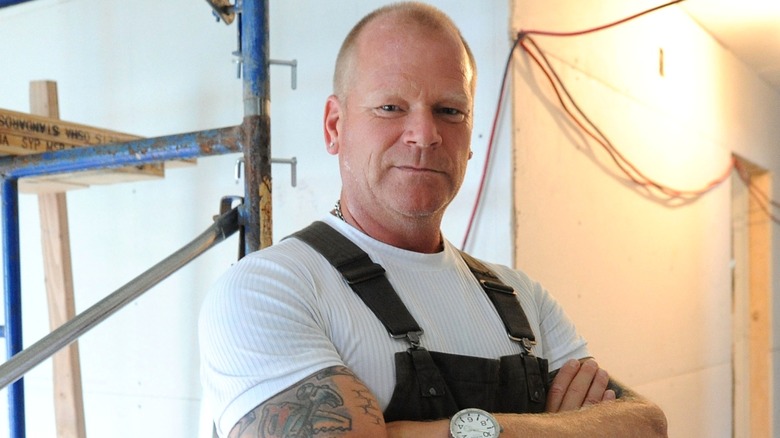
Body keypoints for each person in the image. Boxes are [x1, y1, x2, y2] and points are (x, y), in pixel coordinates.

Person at [199, 2, 668, 437]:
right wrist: (562, 429)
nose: (424, 135)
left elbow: (648, 424)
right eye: (390, 107)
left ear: (470, 137)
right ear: (334, 126)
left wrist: (408, 432)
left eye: (450, 111)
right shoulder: (269, 289)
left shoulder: (525, 300)